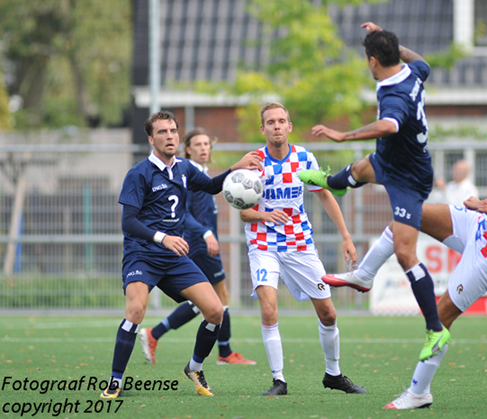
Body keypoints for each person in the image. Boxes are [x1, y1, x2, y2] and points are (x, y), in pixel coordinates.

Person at [319, 107, 487, 409]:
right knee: (408, 215)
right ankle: (365, 274)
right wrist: (486, 209)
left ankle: (419, 393)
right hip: (477, 228)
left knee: (440, 319)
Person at [299, 22, 450, 363]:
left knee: (405, 254)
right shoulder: (412, 72)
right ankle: (330, 182)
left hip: (409, 178)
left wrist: (343, 135)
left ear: (372, 61)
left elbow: (390, 125)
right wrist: (390, 42)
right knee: (355, 171)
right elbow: (422, 62)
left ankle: (435, 328)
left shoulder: (394, 93)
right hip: (388, 161)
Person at [100, 111, 262, 399]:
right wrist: (163, 237)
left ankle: (194, 368)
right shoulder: (139, 174)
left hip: (174, 258)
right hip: (143, 254)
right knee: (135, 311)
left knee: (215, 311)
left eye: (173, 131)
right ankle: (115, 380)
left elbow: (211, 186)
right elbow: (129, 222)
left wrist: (235, 169)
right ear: (151, 139)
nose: (169, 136)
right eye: (162, 132)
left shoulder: (185, 168)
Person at [240, 102, 366, 396]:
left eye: (281, 121)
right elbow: (244, 212)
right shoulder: (253, 162)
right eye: (271, 122)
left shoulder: (304, 158)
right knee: (268, 309)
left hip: (299, 243)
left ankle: (333, 375)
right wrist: (265, 215)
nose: (276, 126)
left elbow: (324, 195)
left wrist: (346, 236)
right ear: (263, 129)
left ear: (289, 126)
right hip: (263, 244)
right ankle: (279, 380)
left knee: (329, 314)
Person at [139, 128, 256, 366]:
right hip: (199, 244)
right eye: (198, 144)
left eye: (206, 144)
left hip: (203, 242)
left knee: (204, 300)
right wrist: (206, 233)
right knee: (220, 295)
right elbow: (184, 213)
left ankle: (155, 333)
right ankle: (225, 352)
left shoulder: (202, 174)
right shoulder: (188, 175)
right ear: (188, 150)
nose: (204, 148)